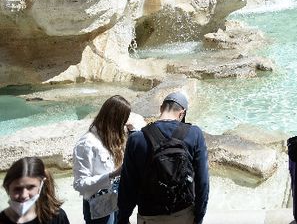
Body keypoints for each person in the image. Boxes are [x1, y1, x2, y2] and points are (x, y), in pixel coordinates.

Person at [118, 92, 209, 224]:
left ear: (161, 108)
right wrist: (199, 216)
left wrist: (123, 217)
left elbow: (128, 184)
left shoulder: (136, 139)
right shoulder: (194, 134)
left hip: (149, 215)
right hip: (183, 213)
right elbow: (203, 182)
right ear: (182, 113)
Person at [73, 95, 131, 224]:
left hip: (116, 201)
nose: (124, 125)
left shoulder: (114, 139)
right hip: (98, 208)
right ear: (114, 120)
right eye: (123, 121)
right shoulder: (87, 143)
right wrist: (112, 175)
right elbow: (79, 184)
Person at [1, 157, 69, 224]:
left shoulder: (57, 217)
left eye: (30, 187)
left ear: (41, 185)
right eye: (17, 189)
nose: (24, 195)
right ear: (7, 188)